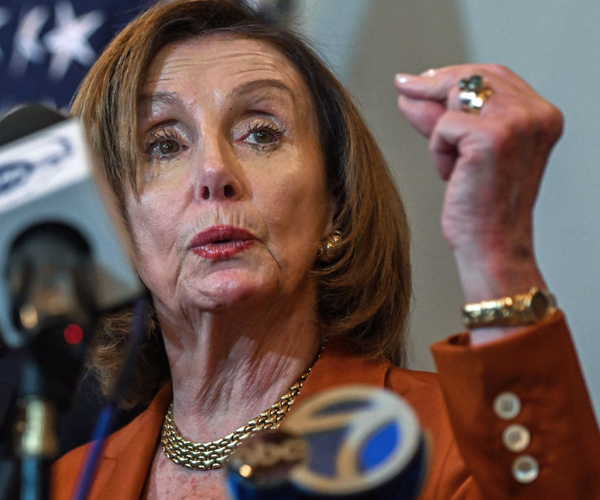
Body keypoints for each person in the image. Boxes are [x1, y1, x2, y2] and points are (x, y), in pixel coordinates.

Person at [50, 0, 600, 498]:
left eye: (261, 132)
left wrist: (495, 251)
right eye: (164, 144)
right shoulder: (65, 483)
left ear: (334, 205)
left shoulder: (455, 443)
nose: (214, 171)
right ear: (114, 222)